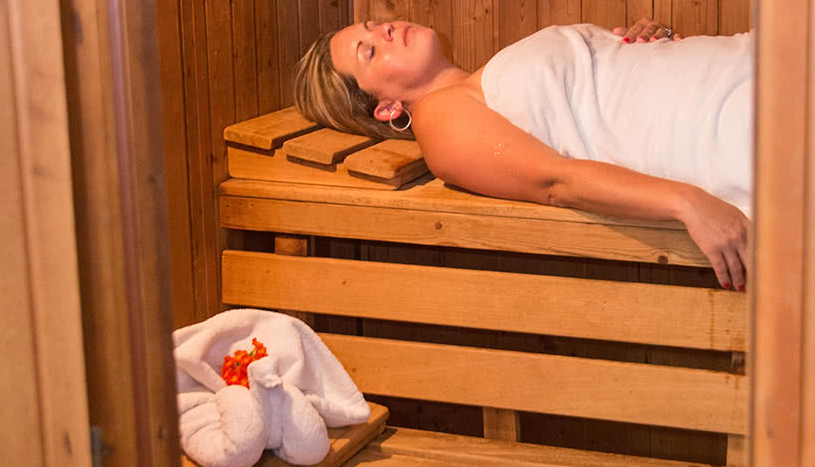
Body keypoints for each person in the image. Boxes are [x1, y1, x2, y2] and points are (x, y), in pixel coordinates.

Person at [294, 18, 751, 292]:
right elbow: (557, 182)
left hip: (744, 70)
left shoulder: (484, 79)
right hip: (734, 132)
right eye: (370, 51)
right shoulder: (440, 119)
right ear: (387, 108)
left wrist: (645, 44)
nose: (386, 29)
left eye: (374, 24)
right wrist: (687, 202)